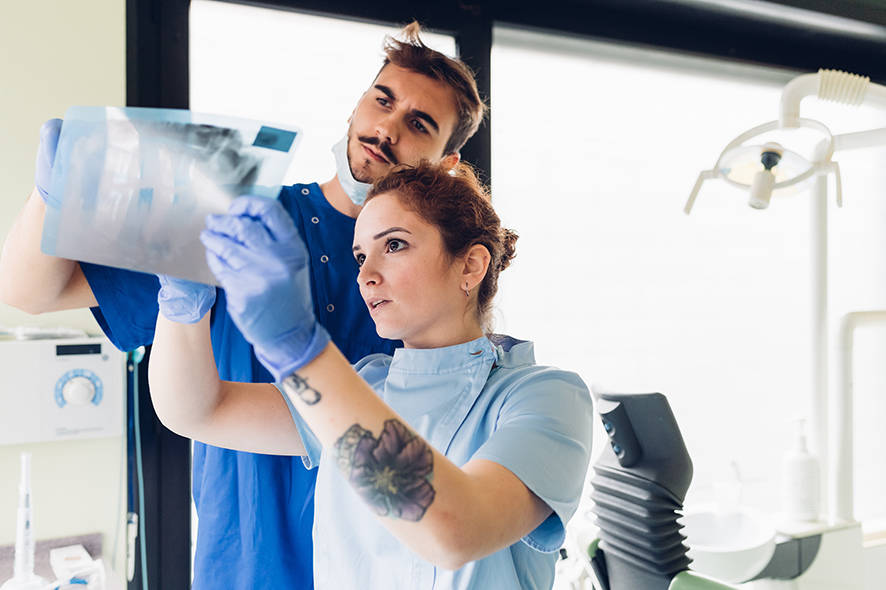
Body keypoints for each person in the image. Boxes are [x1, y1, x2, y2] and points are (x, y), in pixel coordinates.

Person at [0, 23, 485, 590]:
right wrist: (51, 194)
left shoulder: (433, 277)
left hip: (382, 566)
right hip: (243, 565)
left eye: (418, 124)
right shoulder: (239, 218)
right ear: (356, 105)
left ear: (446, 161)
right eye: (382, 100)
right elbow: (33, 293)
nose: (387, 128)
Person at [149, 161, 594, 589]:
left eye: (394, 244)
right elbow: (198, 411)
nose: (365, 275)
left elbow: (454, 530)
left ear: (471, 266)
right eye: (360, 255)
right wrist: (182, 302)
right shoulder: (366, 387)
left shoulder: (545, 397)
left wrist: (299, 348)